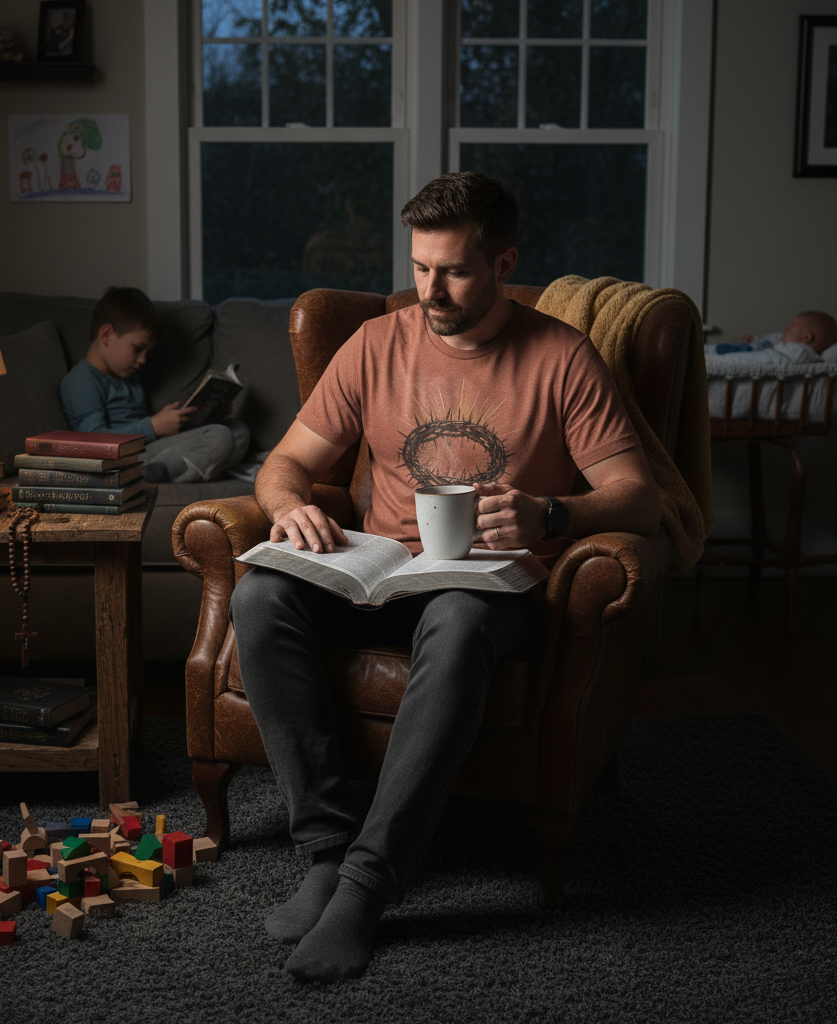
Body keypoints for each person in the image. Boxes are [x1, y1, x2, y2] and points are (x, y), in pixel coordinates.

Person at [228, 172, 663, 983]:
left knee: (458, 620)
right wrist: (289, 507)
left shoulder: (561, 356)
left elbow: (639, 497)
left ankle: (367, 883)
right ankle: (326, 849)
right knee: (260, 597)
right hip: (383, 572)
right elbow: (285, 463)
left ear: (503, 263)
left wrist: (551, 514)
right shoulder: (374, 344)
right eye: (421, 268)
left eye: (455, 271)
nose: (431, 290)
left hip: (493, 589)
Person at [60, 286, 249, 483]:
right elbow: (92, 443)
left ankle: (168, 470)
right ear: (106, 335)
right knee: (219, 437)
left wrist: (204, 415)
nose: (143, 360)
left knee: (238, 431)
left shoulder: (128, 377)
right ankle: (154, 473)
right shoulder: (82, 380)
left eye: (147, 353)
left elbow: (145, 428)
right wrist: (153, 427)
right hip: (121, 459)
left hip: (150, 450)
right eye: (138, 349)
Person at [710, 310, 837, 361]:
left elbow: (764, 358)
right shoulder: (785, 345)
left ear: (806, 338)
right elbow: (770, 342)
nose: (784, 331)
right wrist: (755, 341)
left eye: (789, 329)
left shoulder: (798, 353)